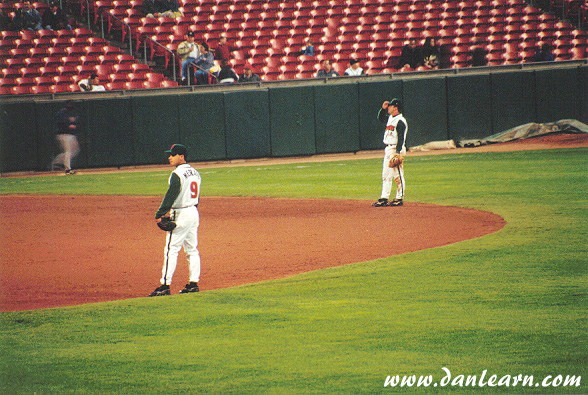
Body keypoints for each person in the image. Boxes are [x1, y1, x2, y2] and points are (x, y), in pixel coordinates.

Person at [150, 144, 202, 297]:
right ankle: (193, 284)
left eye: (173, 155)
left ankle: (164, 286)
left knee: (171, 250)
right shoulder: (196, 173)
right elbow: (197, 197)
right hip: (193, 212)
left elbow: (171, 195)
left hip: (181, 214)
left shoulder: (177, 174)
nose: (169, 157)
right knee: (192, 250)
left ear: (182, 156)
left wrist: (160, 213)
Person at [373, 98, 407, 207]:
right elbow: (381, 118)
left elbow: (401, 138)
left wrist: (397, 153)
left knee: (398, 175)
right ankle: (384, 198)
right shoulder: (391, 118)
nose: (389, 107)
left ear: (395, 108)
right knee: (386, 175)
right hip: (388, 149)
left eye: (391, 106)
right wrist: (382, 109)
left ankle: (399, 198)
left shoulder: (400, 121)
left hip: (396, 149)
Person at [51, 101, 80, 175]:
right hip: (63, 134)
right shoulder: (62, 113)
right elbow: (60, 123)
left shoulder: (72, 113)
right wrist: (68, 126)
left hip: (70, 134)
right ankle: (68, 169)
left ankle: (56, 163)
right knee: (68, 152)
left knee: (75, 151)